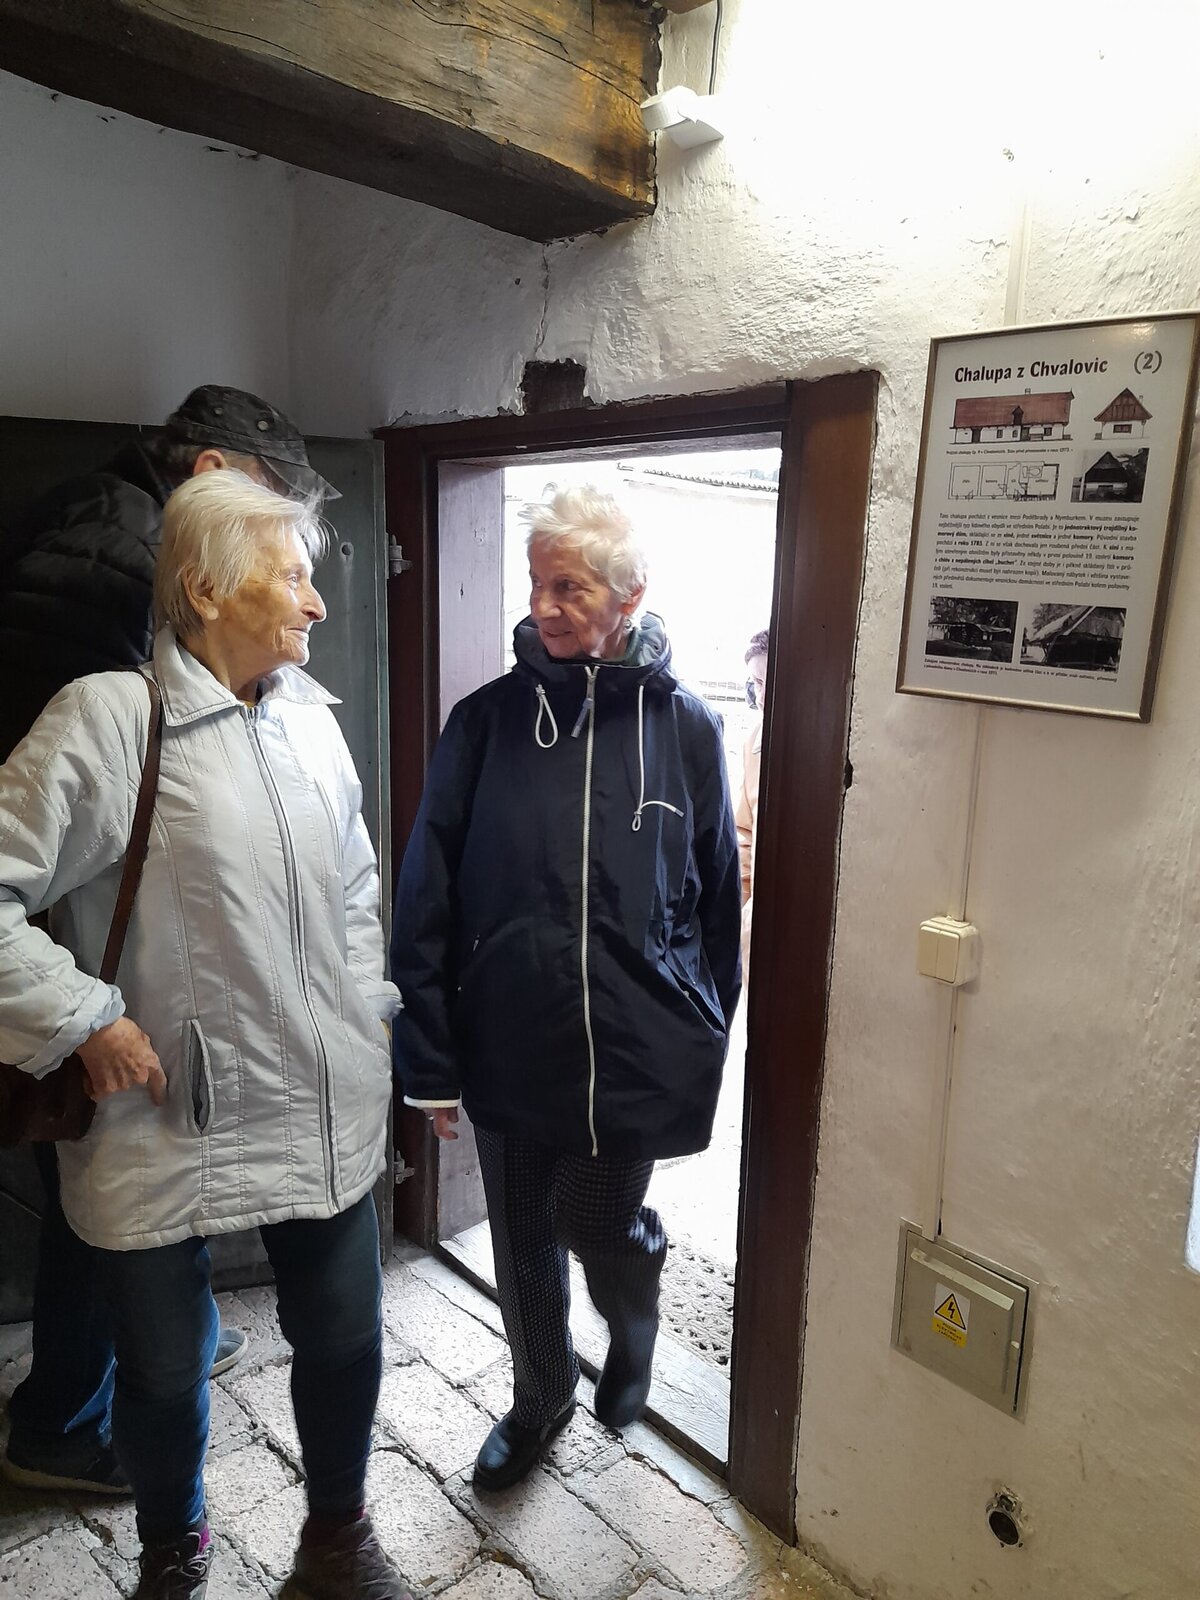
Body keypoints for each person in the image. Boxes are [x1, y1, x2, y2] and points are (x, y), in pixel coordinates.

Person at [0, 472, 408, 1600]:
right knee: (166, 1366)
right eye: (293, 576)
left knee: (344, 1332)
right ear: (206, 588)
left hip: (318, 1096)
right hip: (160, 1110)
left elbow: (356, 889)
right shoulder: (108, 721)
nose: (316, 602)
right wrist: (84, 1019)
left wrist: (364, 1012)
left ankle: (336, 1540)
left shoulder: (313, 724)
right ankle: (172, 1552)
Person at [391, 486, 742, 1491]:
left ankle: (633, 1308)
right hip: (510, 1034)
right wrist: (430, 1060)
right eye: (537, 582)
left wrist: (702, 1026)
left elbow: (719, 898)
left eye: (569, 586)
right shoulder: (486, 724)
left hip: (637, 1045)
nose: (542, 606)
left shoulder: (688, 728)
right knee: (520, 1239)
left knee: (592, 1218)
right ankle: (539, 1394)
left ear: (630, 595)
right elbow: (426, 896)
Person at [735, 628, 770, 979]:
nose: (761, 696)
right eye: (756, 683)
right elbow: (744, 831)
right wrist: (741, 905)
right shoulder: (754, 742)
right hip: (755, 914)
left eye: (768, 681)